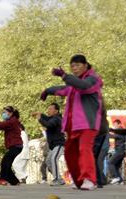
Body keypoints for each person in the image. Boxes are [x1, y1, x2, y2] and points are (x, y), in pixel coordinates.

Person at [41, 54, 104, 190]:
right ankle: (79, 180)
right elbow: (62, 89)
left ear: (86, 65)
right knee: (70, 153)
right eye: (72, 66)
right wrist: (47, 91)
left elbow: (84, 86)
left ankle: (89, 179)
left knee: (84, 149)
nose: (74, 69)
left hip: (88, 123)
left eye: (77, 65)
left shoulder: (93, 80)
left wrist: (64, 76)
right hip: (74, 126)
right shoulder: (73, 84)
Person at [33, 103, 65, 186]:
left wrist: (40, 118)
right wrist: (40, 114)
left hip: (59, 144)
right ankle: (60, 179)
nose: (48, 110)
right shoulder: (53, 118)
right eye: (48, 109)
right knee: (48, 161)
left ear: (56, 111)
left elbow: (48, 124)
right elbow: (47, 118)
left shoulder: (57, 119)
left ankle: (57, 179)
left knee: (54, 159)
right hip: (53, 145)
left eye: (51, 109)